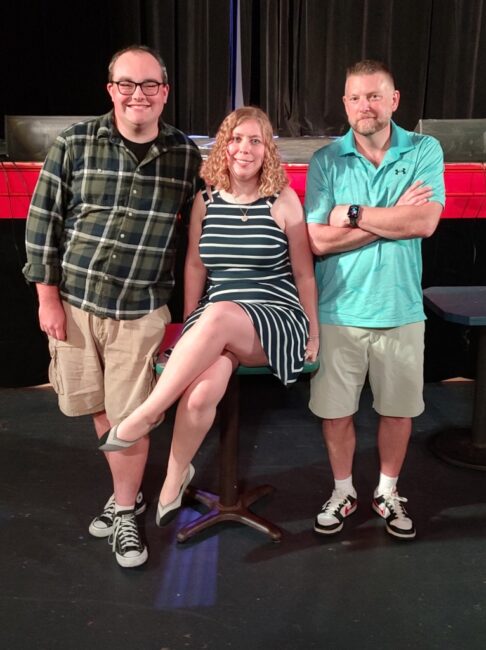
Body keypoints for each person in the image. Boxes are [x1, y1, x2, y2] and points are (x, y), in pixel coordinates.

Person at [98, 106, 319, 534]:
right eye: (236, 139)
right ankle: (175, 478)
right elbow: (196, 265)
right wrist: (188, 328)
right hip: (216, 322)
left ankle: (144, 415)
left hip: (273, 317)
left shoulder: (284, 200)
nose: (244, 148)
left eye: (255, 140)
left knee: (217, 314)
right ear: (224, 146)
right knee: (200, 397)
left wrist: (314, 329)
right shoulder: (207, 199)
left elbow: (304, 273)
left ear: (267, 149)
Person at [23, 45, 202, 568]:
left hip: (141, 310)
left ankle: (126, 512)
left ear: (165, 92)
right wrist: (47, 298)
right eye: (127, 84)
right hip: (75, 306)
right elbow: (43, 223)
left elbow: (203, 232)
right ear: (111, 90)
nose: (137, 94)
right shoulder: (74, 143)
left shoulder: (186, 156)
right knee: (99, 408)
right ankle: (130, 491)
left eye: (149, 85)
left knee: (131, 417)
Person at [305, 60, 445, 540]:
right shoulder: (326, 159)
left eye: (374, 96)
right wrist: (391, 217)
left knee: (397, 411)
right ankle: (343, 490)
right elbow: (318, 241)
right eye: (355, 97)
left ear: (394, 99)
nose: (365, 106)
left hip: (401, 310)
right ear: (345, 104)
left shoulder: (425, 149)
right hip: (338, 310)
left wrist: (357, 214)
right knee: (336, 413)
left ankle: (387, 490)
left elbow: (424, 223)